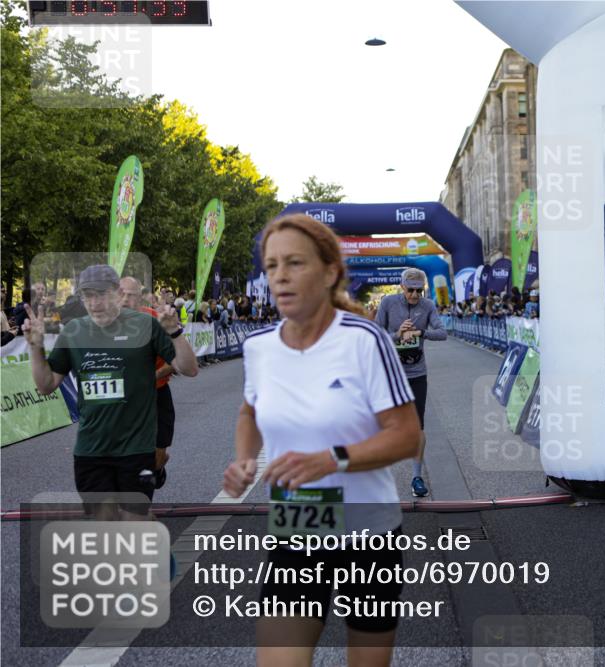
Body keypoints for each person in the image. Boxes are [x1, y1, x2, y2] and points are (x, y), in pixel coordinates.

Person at [222, 213, 420, 666]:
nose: (280, 276)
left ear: (330, 272)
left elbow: (408, 436)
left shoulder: (364, 340)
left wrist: (332, 460)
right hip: (298, 531)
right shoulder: (258, 347)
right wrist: (244, 460)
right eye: (271, 266)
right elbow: (249, 413)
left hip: (368, 537)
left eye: (294, 263)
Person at [23, 264, 197, 519]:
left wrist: (175, 332)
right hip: (91, 451)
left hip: (136, 451)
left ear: (117, 293)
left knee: (132, 525)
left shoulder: (145, 325)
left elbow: (189, 368)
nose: (95, 303)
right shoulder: (74, 331)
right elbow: (46, 384)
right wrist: (35, 348)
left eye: (101, 294)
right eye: (88, 296)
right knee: (104, 526)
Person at [375, 267, 447, 498]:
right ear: (402, 287)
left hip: (417, 373)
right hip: (391, 373)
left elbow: (443, 332)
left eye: (419, 291)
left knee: (417, 428)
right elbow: (375, 335)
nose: (415, 295)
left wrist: (419, 332)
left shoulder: (427, 306)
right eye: (411, 290)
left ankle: (417, 477)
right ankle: (375, 477)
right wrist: (397, 335)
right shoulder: (388, 303)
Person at [120, 277, 176, 486]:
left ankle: (159, 465)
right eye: (121, 294)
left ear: (139, 297)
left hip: (157, 393)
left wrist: (149, 378)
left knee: (156, 459)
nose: (125, 299)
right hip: (127, 398)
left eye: (131, 295)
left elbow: (177, 361)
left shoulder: (154, 319)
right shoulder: (104, 324)